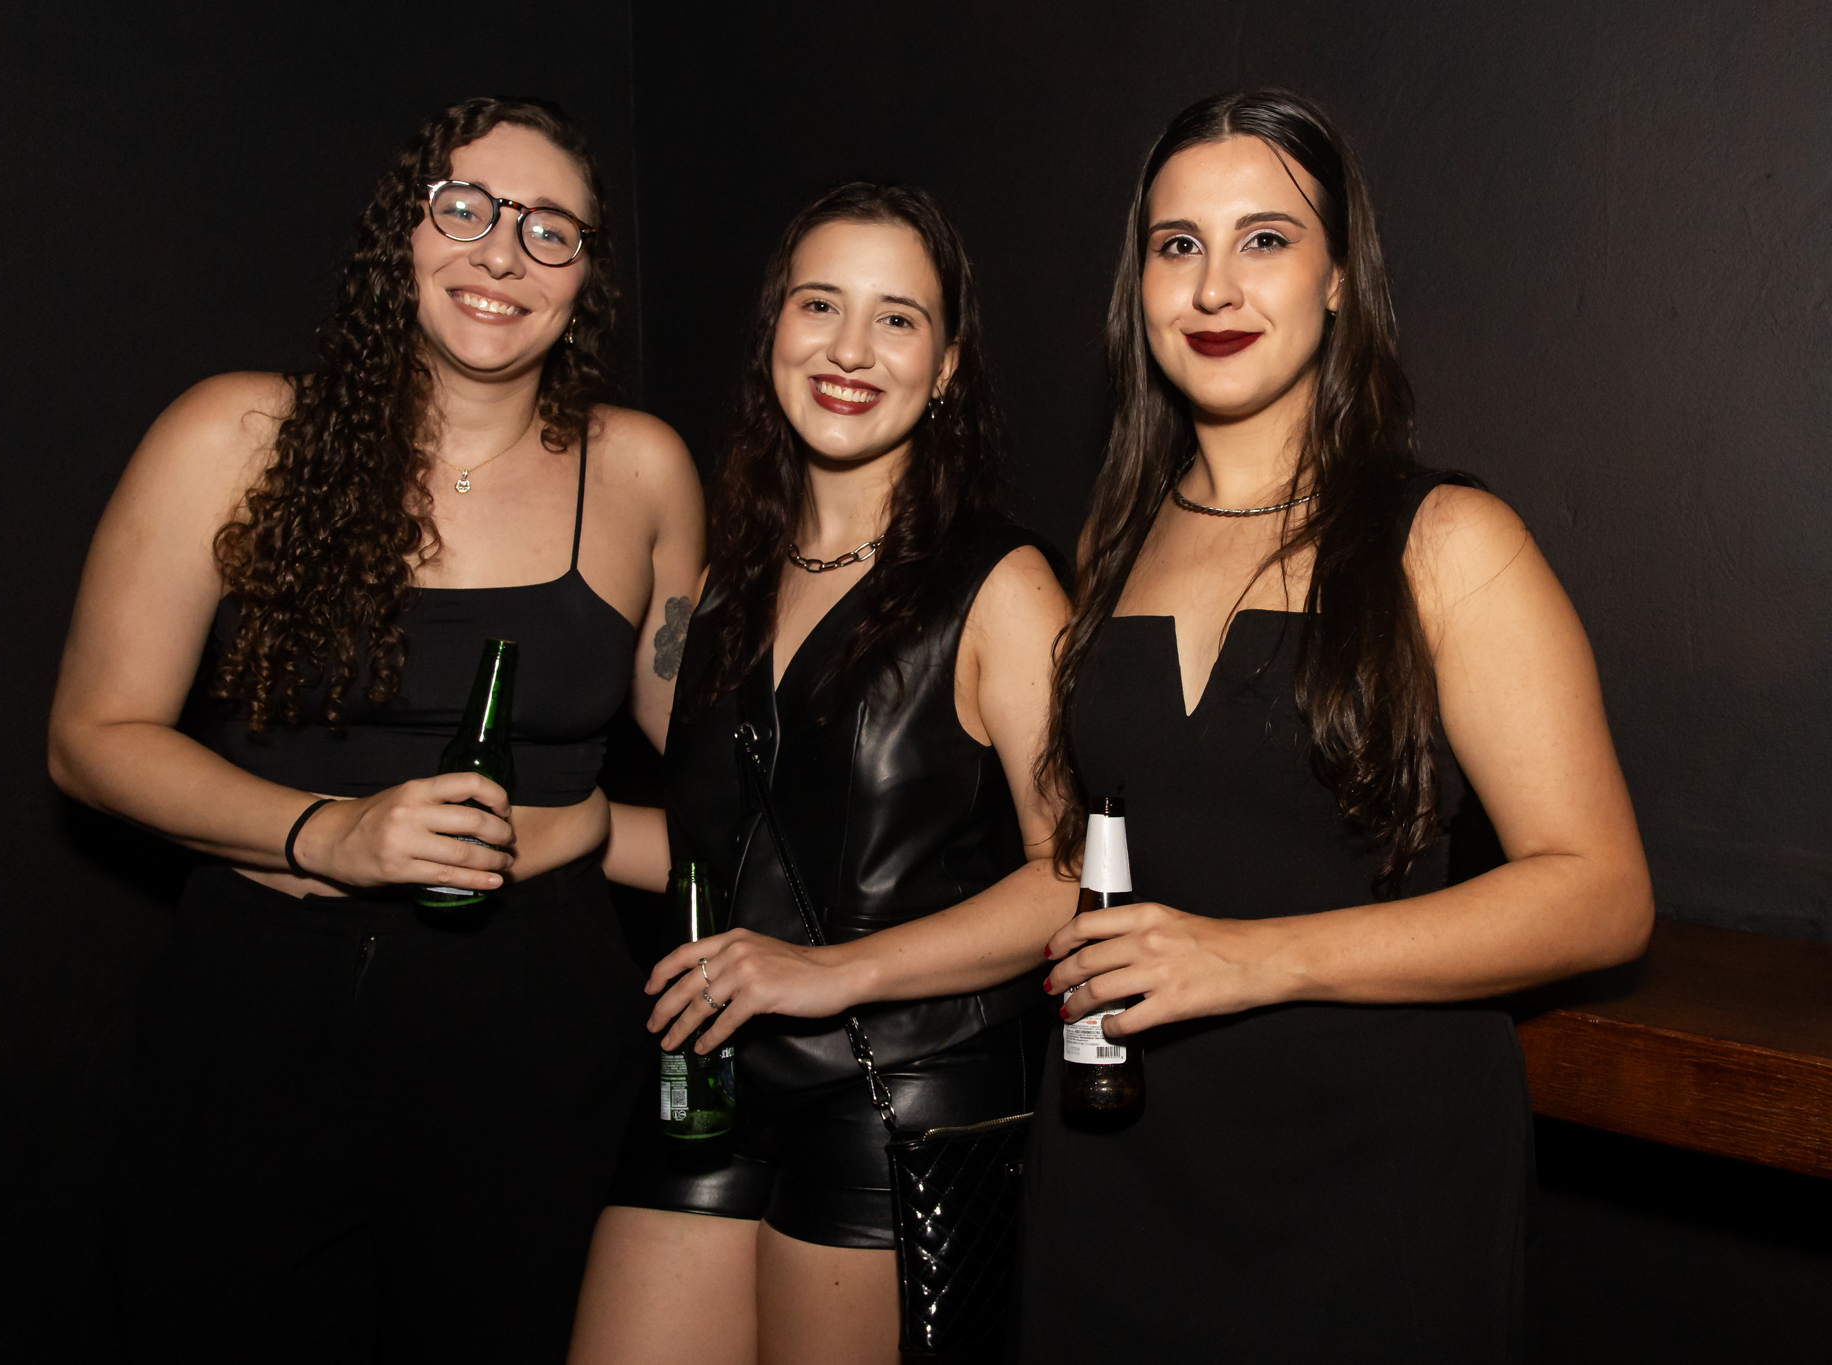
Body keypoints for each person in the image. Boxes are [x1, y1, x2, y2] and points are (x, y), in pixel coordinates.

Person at [47, 97, 703, 1360]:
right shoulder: (238, 437)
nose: (501, 253)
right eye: (465, 209)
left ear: (587, 277)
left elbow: (721, 790)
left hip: (534, 1034)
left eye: (549, 229)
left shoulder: (638, 472)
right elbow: (91, 737)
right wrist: (327, 834)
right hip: (259, 1023)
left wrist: (581, 828)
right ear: (399, 232)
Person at [1016, 89, 1654, 1363]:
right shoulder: (1110, 541)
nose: (1213, 286)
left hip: (1372, 1180)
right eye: (1177, 244)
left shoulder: (1445, 542)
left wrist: (1250, 959)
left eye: (1263, 239)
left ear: (1338, 282)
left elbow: (1599, 896)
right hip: (1122, 1157)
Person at [566, 184, 1075, 1365]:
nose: (849, 349)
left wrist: (831, 973)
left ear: (946, 366)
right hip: (710, 1073)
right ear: (773, 332)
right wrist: (572, 826)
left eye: (896, 319)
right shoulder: (727, 585)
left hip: (899, 1089)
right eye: (819, 305)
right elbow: (729, 850)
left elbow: (1072, 876)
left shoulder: (1000, 584)